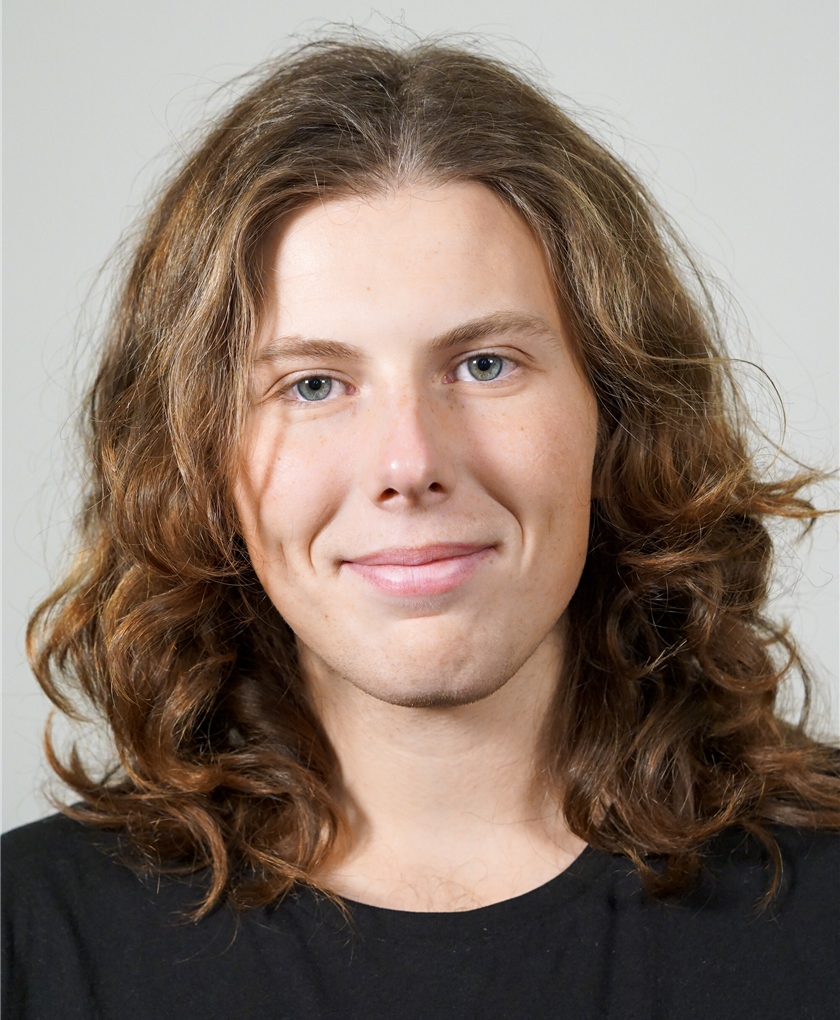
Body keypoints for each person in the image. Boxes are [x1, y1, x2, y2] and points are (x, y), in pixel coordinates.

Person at [3, 36, 839, 1020]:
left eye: (485, 364)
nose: (408, 463)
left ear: (617, 413)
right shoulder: (31, 941)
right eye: (314, 384)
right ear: (196, 459)